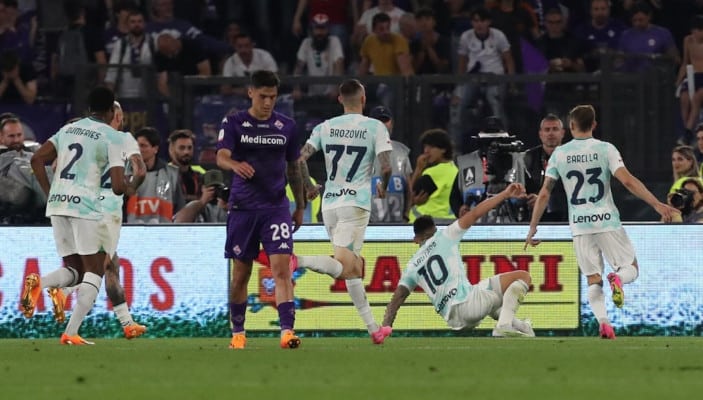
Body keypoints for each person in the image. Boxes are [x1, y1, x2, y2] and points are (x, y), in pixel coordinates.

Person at [525, 104, 679, 340]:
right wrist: (656, 204)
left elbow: (545, 192)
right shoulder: (606, 149)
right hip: (607, 221)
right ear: (594, 124)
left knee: (593, 279)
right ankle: (619, 278)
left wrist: (533, 226)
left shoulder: (559, 154)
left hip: (579, 226)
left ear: (571, 126)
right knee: (631, 269)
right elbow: (627, 181)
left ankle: (604, 322)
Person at [23, 87, 135, 345]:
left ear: (87, 109)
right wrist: (130, 185)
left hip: (58, 205)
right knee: (95, 270)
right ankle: (71, 333)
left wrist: (50, 192)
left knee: (74, 269)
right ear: (110, 112)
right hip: (85, 207)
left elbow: (37, 159)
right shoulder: (112, 136)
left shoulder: (68, 129)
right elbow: (118, 186)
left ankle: (39, 283)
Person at [296, 78, 394, 344]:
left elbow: (300, 159)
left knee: (352, 268)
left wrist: (309, 186)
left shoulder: (325, 127)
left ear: (339, 99)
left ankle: (374, 329)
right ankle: (298, 261)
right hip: (355, 204)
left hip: (329, 205)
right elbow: (386, 166)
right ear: (363, 100)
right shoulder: (375, 127)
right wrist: (382, 187)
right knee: (344, 265)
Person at [215, 70, 306, 350]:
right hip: (243, 208)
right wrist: (235, 166)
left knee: (281, 270)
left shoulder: (286, 126)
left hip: (276, 208)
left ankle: (287, 332)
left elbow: (294, 167)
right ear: (250, 93)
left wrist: (300, 205)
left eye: (273, 97)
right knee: (241, 273)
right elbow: (221, 156)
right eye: (263, 96)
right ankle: (238, 334)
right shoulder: (234, 122)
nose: (268, 102)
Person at [380, 183, 535, 337]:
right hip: (468, 305)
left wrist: (385, 328)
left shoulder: (412, 266)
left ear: (415, 239)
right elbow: (475, 213)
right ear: (435, 229)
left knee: (485, 290)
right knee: (523, 277)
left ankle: (522, 326)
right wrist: (504, 194)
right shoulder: (445, 235)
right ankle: (504, 326)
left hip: (452, 319)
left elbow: (396, 301)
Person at [53, 101, 148, 339]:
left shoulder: (87, 137)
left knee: (108, 264)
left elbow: (57, 165)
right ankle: (63, 296)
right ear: (113, 116)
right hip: (105, 208)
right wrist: (131, 189)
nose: (122, 119)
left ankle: (127, 324)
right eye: (119, 115)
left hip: (83, 203)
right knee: (102, 265)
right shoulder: (120, 140)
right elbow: (140, 170)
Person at [125, 126, 184, 223]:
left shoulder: (171, 174)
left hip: (164, 233)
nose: (138, 150)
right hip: (131, 233)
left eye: (143, 146)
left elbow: (180, 209)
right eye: (136, 146)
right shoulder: (125, 173)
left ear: (155, 149)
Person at [368, 105, 413, 223]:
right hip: (371, 225)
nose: (382, 125)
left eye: (385, 120)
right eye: (378, 121)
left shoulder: (401, 151)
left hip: (397, 222)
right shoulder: (363, 151)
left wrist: (406, 215)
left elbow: (408, 189)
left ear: (391, 123)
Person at [408, 128, 459, 223]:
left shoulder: (432, 173)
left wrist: (418, 169)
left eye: (431, 147)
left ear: (443, 149)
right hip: (447, 222)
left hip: (421, 224)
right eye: (425, 147)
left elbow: (410, 197)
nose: (426, 151)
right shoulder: (455, 170)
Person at [523, 113, 568, 222]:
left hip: (566, 219)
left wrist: (544, 201)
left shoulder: (572, 157)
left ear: (562, 133)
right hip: (535, 219)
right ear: (540, 134)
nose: (551, 133)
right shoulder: (527, 158)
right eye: (547, 130)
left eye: (555, 129)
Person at [167, 129, 205, 202]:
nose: (186, 152)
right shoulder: (163, 176)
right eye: (182, 148)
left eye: (189, 148)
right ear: (171, 149)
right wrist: (200, 199)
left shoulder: (199, 177)